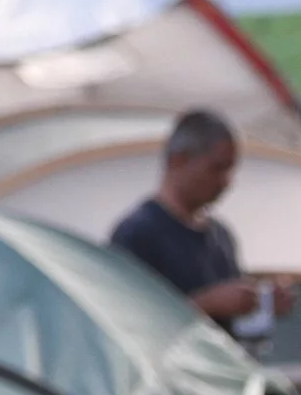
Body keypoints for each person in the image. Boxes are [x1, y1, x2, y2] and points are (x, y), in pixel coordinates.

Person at [109, 109, 291, 330]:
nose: (226, 182)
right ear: (179, 161)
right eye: (217, 168)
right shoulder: (137, 234)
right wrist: (206, 305)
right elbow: (127, 327)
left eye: (231, 170)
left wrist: (258, 301)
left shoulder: (221, 236)